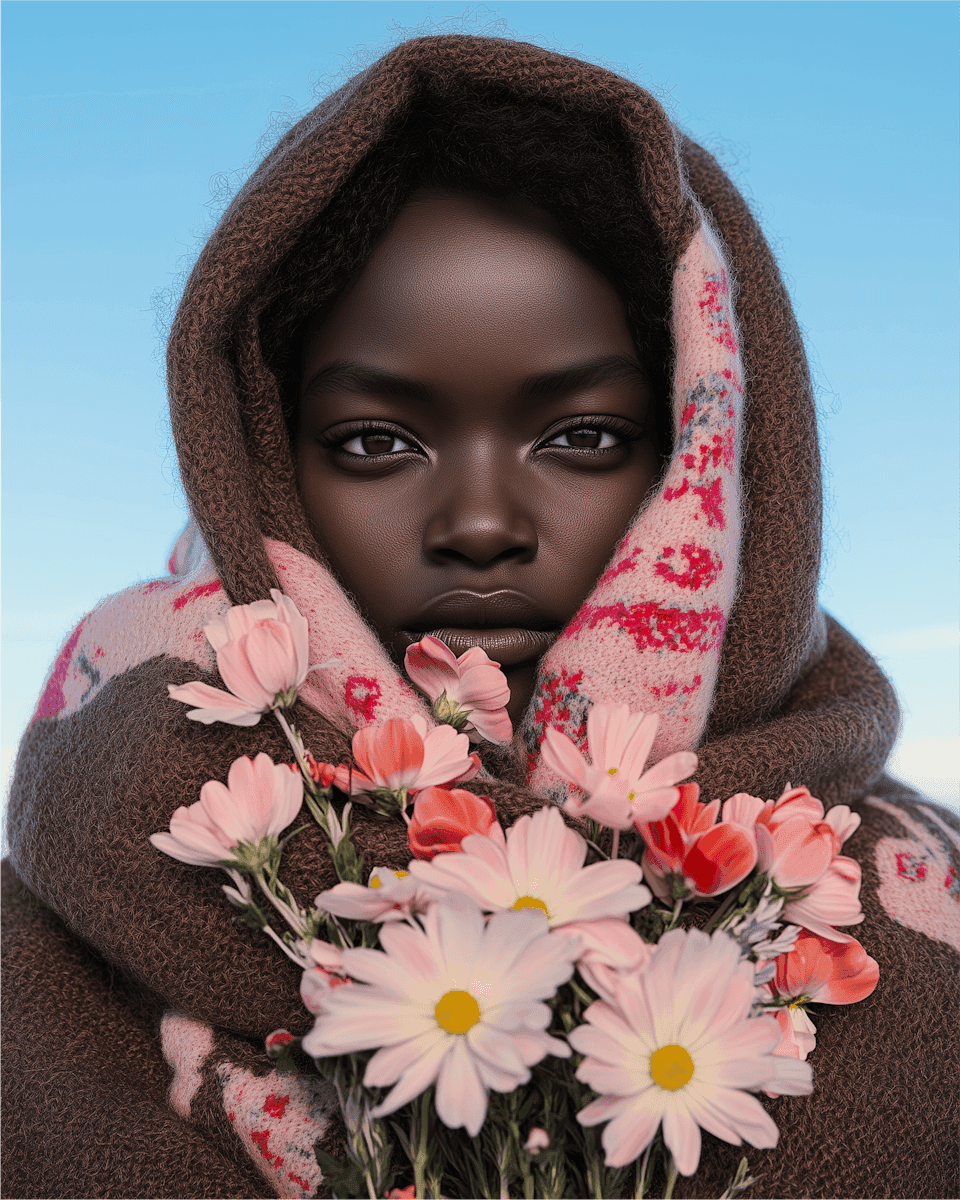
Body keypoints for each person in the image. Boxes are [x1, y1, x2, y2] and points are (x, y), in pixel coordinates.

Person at [2, 33, 957, 1200]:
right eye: (376, 442)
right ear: (261, 465)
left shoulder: (901, 907)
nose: (482, 522)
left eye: (583, 437)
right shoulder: (64, 904)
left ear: (708, 452)